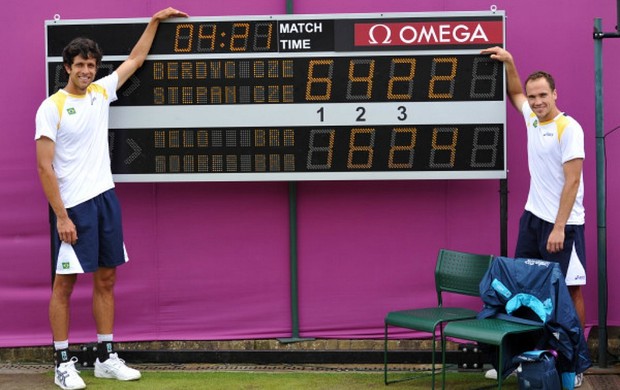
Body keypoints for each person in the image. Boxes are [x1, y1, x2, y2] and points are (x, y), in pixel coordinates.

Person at [35, 7, 188, 390]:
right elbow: (44, 168)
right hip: (71, 207)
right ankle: (62, 363)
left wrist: (154, 21)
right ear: (67, 67)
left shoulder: (102, 92)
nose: (87, 70)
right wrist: (61, 216)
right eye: (80, 65)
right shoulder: (51, 107)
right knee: (64, 285)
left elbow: (136, 59)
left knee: (106, 279)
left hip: (105, 201)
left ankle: (105, 357)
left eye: (91, 65)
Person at [481, 46, 587, 387]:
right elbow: (513, 91)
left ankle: (574, 364)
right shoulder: (531, 116)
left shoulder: (568, 128)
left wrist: (558, 227)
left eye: (543, 95)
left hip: (564, 224)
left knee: (568, 293)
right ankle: (521, 360)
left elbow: (573, 182)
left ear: (555, 94)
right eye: (533, 96)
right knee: (522, 291)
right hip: (532, 219)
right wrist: (510, 61)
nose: (537, 101)